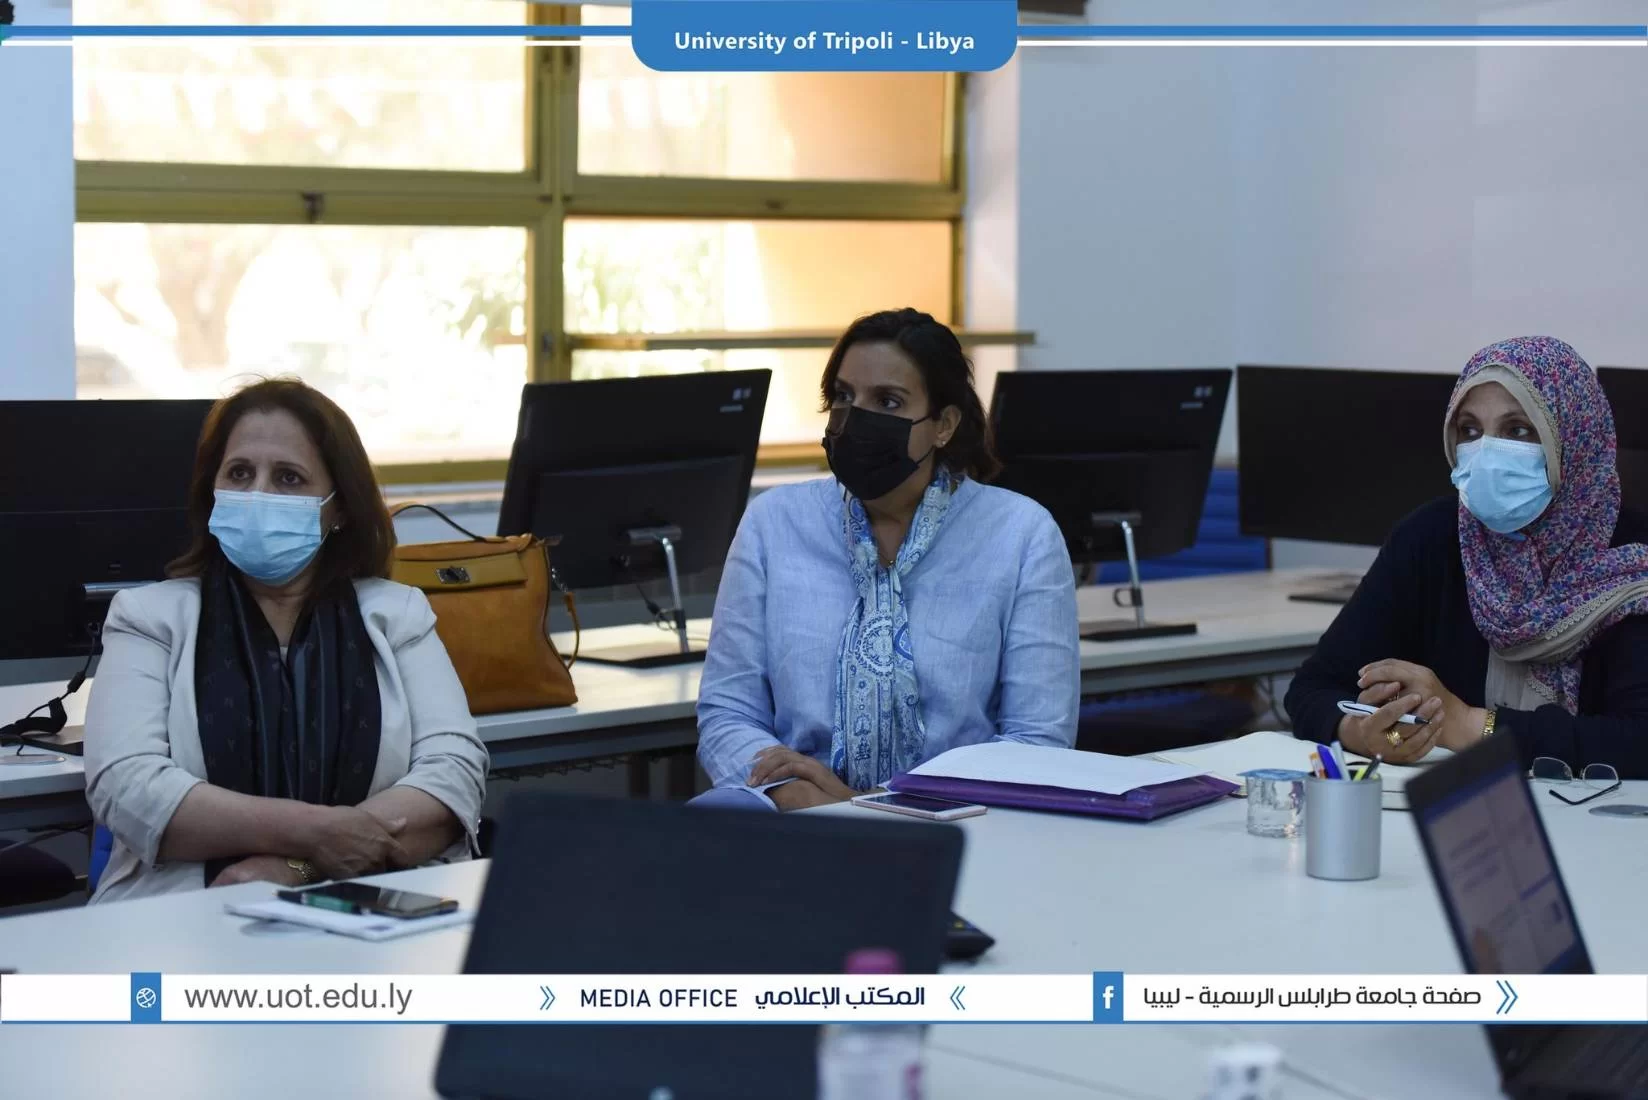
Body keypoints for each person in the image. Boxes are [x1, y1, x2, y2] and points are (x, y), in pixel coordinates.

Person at [84, 379, 488, 902]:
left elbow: (453, 773)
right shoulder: (149, 618)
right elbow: (127, 787)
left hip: (370, 905)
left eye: (288, 477)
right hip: (185, 909)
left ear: (339, 508)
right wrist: (316, 832)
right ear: (212, 491)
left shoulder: (396, 614)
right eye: (239, 473)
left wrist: (297, 867)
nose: (258, 494)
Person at [695, 308, 1080, 811]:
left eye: (888, 401)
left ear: (943, 425)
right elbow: (728, 712)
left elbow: (1038, 740)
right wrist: (792, 791)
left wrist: (870, 803)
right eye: (843, 396)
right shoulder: (774, 522)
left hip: (961, 821)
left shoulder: (1020, 534)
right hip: (797, 813)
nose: (856, 419)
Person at [1286, 336, 1648, 777]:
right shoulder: (1431, 538)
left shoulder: (1632, 564)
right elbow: (1313, 688)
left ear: (1574, 439)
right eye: (1471, 431)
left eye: (1518, 430)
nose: (1488, 453)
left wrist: (1466, 724)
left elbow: (1638, 740)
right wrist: (1364, 734)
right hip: (1456, 807)